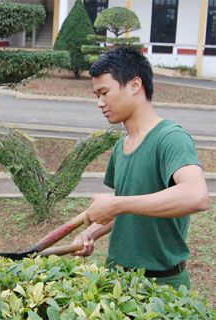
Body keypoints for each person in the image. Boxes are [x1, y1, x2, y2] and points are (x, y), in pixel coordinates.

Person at [72, 46, 209, 290]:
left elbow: (196, 195)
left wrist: (115, 204)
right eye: (96, 96)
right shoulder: (121, 146)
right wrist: (91, 233)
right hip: (116, 279)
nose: (99, 103)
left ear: (135, 85)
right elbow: (129, 210)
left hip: (162, 284)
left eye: (104, 92)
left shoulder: (170, 138)